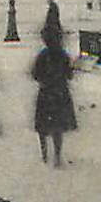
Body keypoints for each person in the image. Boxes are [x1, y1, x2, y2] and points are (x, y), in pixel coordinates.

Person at [31, 27, 78, 167]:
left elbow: (35, 74)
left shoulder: (42, 55)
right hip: (60, 93)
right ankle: (57, 155)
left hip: (45, 92)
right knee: (58, 126)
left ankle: (44, 154)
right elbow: (69, 75)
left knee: (43, 126)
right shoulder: (63, 55)